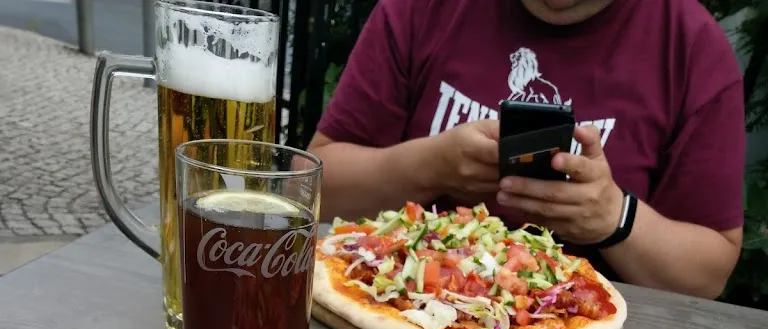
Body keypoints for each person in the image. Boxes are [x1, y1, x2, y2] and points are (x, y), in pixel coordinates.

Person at [308, 0, 745, 298]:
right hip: (395, 310)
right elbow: (318, 191)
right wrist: (431, 165)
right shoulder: (420, 9)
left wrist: (614, 219)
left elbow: (707, 274)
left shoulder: (691, 46)